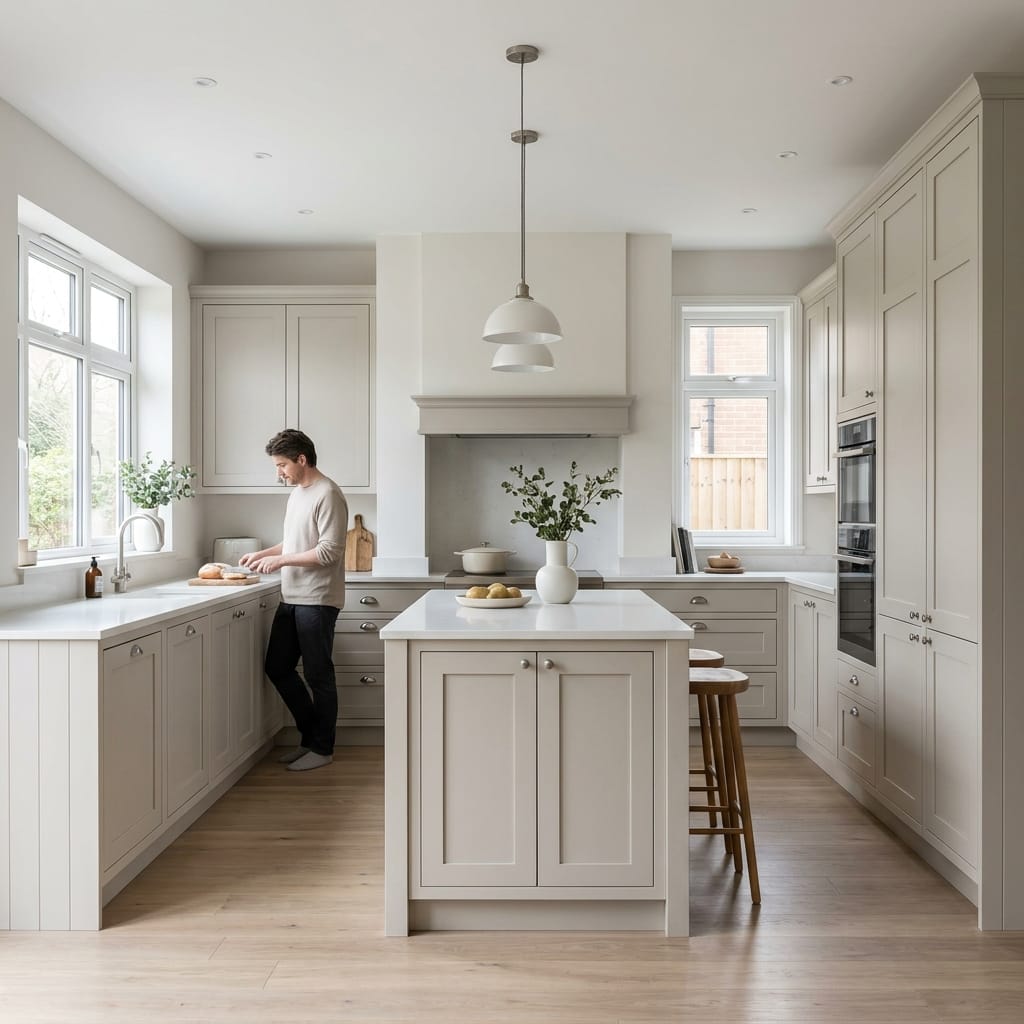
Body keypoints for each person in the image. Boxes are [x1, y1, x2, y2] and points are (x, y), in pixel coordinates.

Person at [241, 429, 348, 772]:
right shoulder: (298, 493)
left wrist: (281, 561)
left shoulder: (328, 493)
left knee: (319, 675)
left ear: (302, 459)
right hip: (292, 597)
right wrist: (264, 553)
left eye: (282, 464)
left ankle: (323, 748)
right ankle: (310, 738)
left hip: (317, 600)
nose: (279, 472)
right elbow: (293, 542)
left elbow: (329, 552)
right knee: (277, 666)